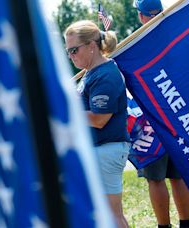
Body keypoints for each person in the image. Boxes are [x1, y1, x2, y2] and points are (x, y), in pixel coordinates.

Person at [65, 20, 130, 228]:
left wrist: (68, 109)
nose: (71, 56)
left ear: (92, 46)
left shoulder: (105, 75)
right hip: (100, 149)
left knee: (112, 216)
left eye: (74, 50)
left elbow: (100, 119)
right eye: (68, 52)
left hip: (106, 150)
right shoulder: (92, 72)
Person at [134, 0, 189, 227]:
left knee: (155, 178)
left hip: (150, 120)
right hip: (178, 117)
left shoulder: (135, 45)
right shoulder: (176, 37)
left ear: (141, 16)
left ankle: (163, 226)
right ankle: (185, 223)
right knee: (178, 176)